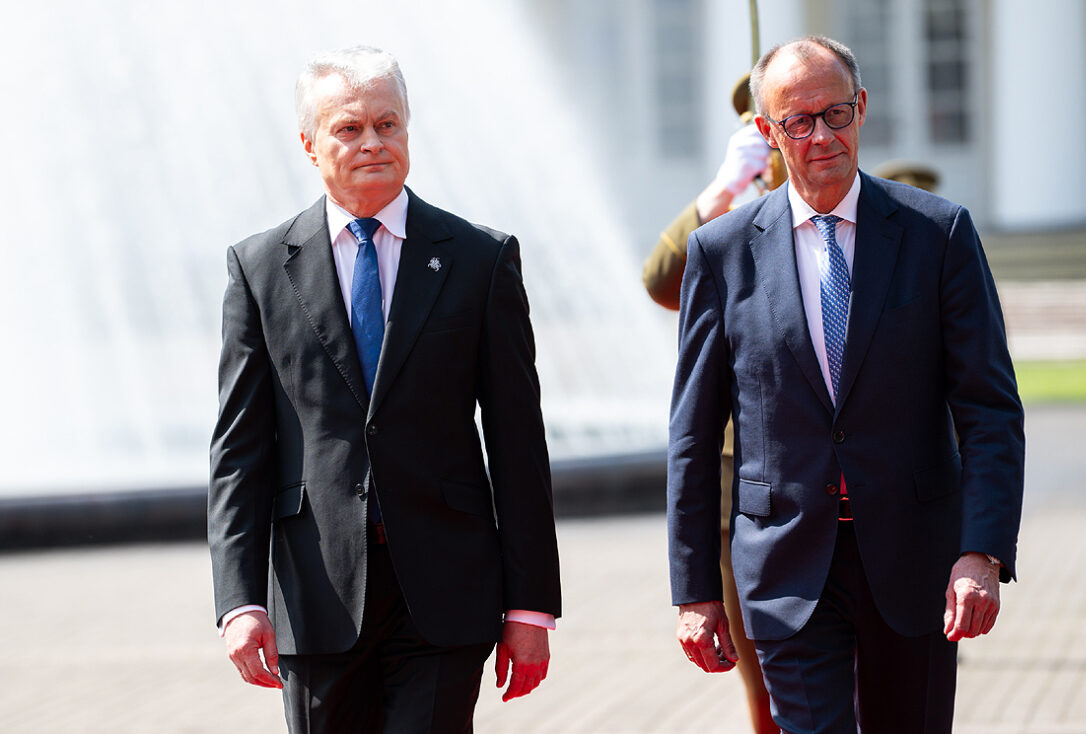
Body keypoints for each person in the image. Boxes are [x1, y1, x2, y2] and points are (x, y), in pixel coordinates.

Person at [667, 36, 1024, 733]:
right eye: (798, 121)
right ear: (768, 132)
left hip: (916, 562)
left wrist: (981, 553)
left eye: (834, 113)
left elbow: (989, 410)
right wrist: (694, 591)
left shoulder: (938, 234)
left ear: (861, 107)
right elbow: (693, 436)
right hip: (785, 569)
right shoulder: (720, 253)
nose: (821, 136)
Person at [208, 46, 561, 733]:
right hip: (314, 594)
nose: (372, 142)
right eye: (349, 128)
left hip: (446, 588)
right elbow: (238, 450)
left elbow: (518, 443)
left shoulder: (480, 259)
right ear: (309, 145)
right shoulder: (259, 269)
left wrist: (530, 605)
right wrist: (239, 601)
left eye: (387, 124)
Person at [643, 76, 781, 734]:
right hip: (744, 489)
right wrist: (723, 189)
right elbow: (660, 280)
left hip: (841, 488)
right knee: (768, 694)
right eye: (762, 128)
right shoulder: (728, 224)